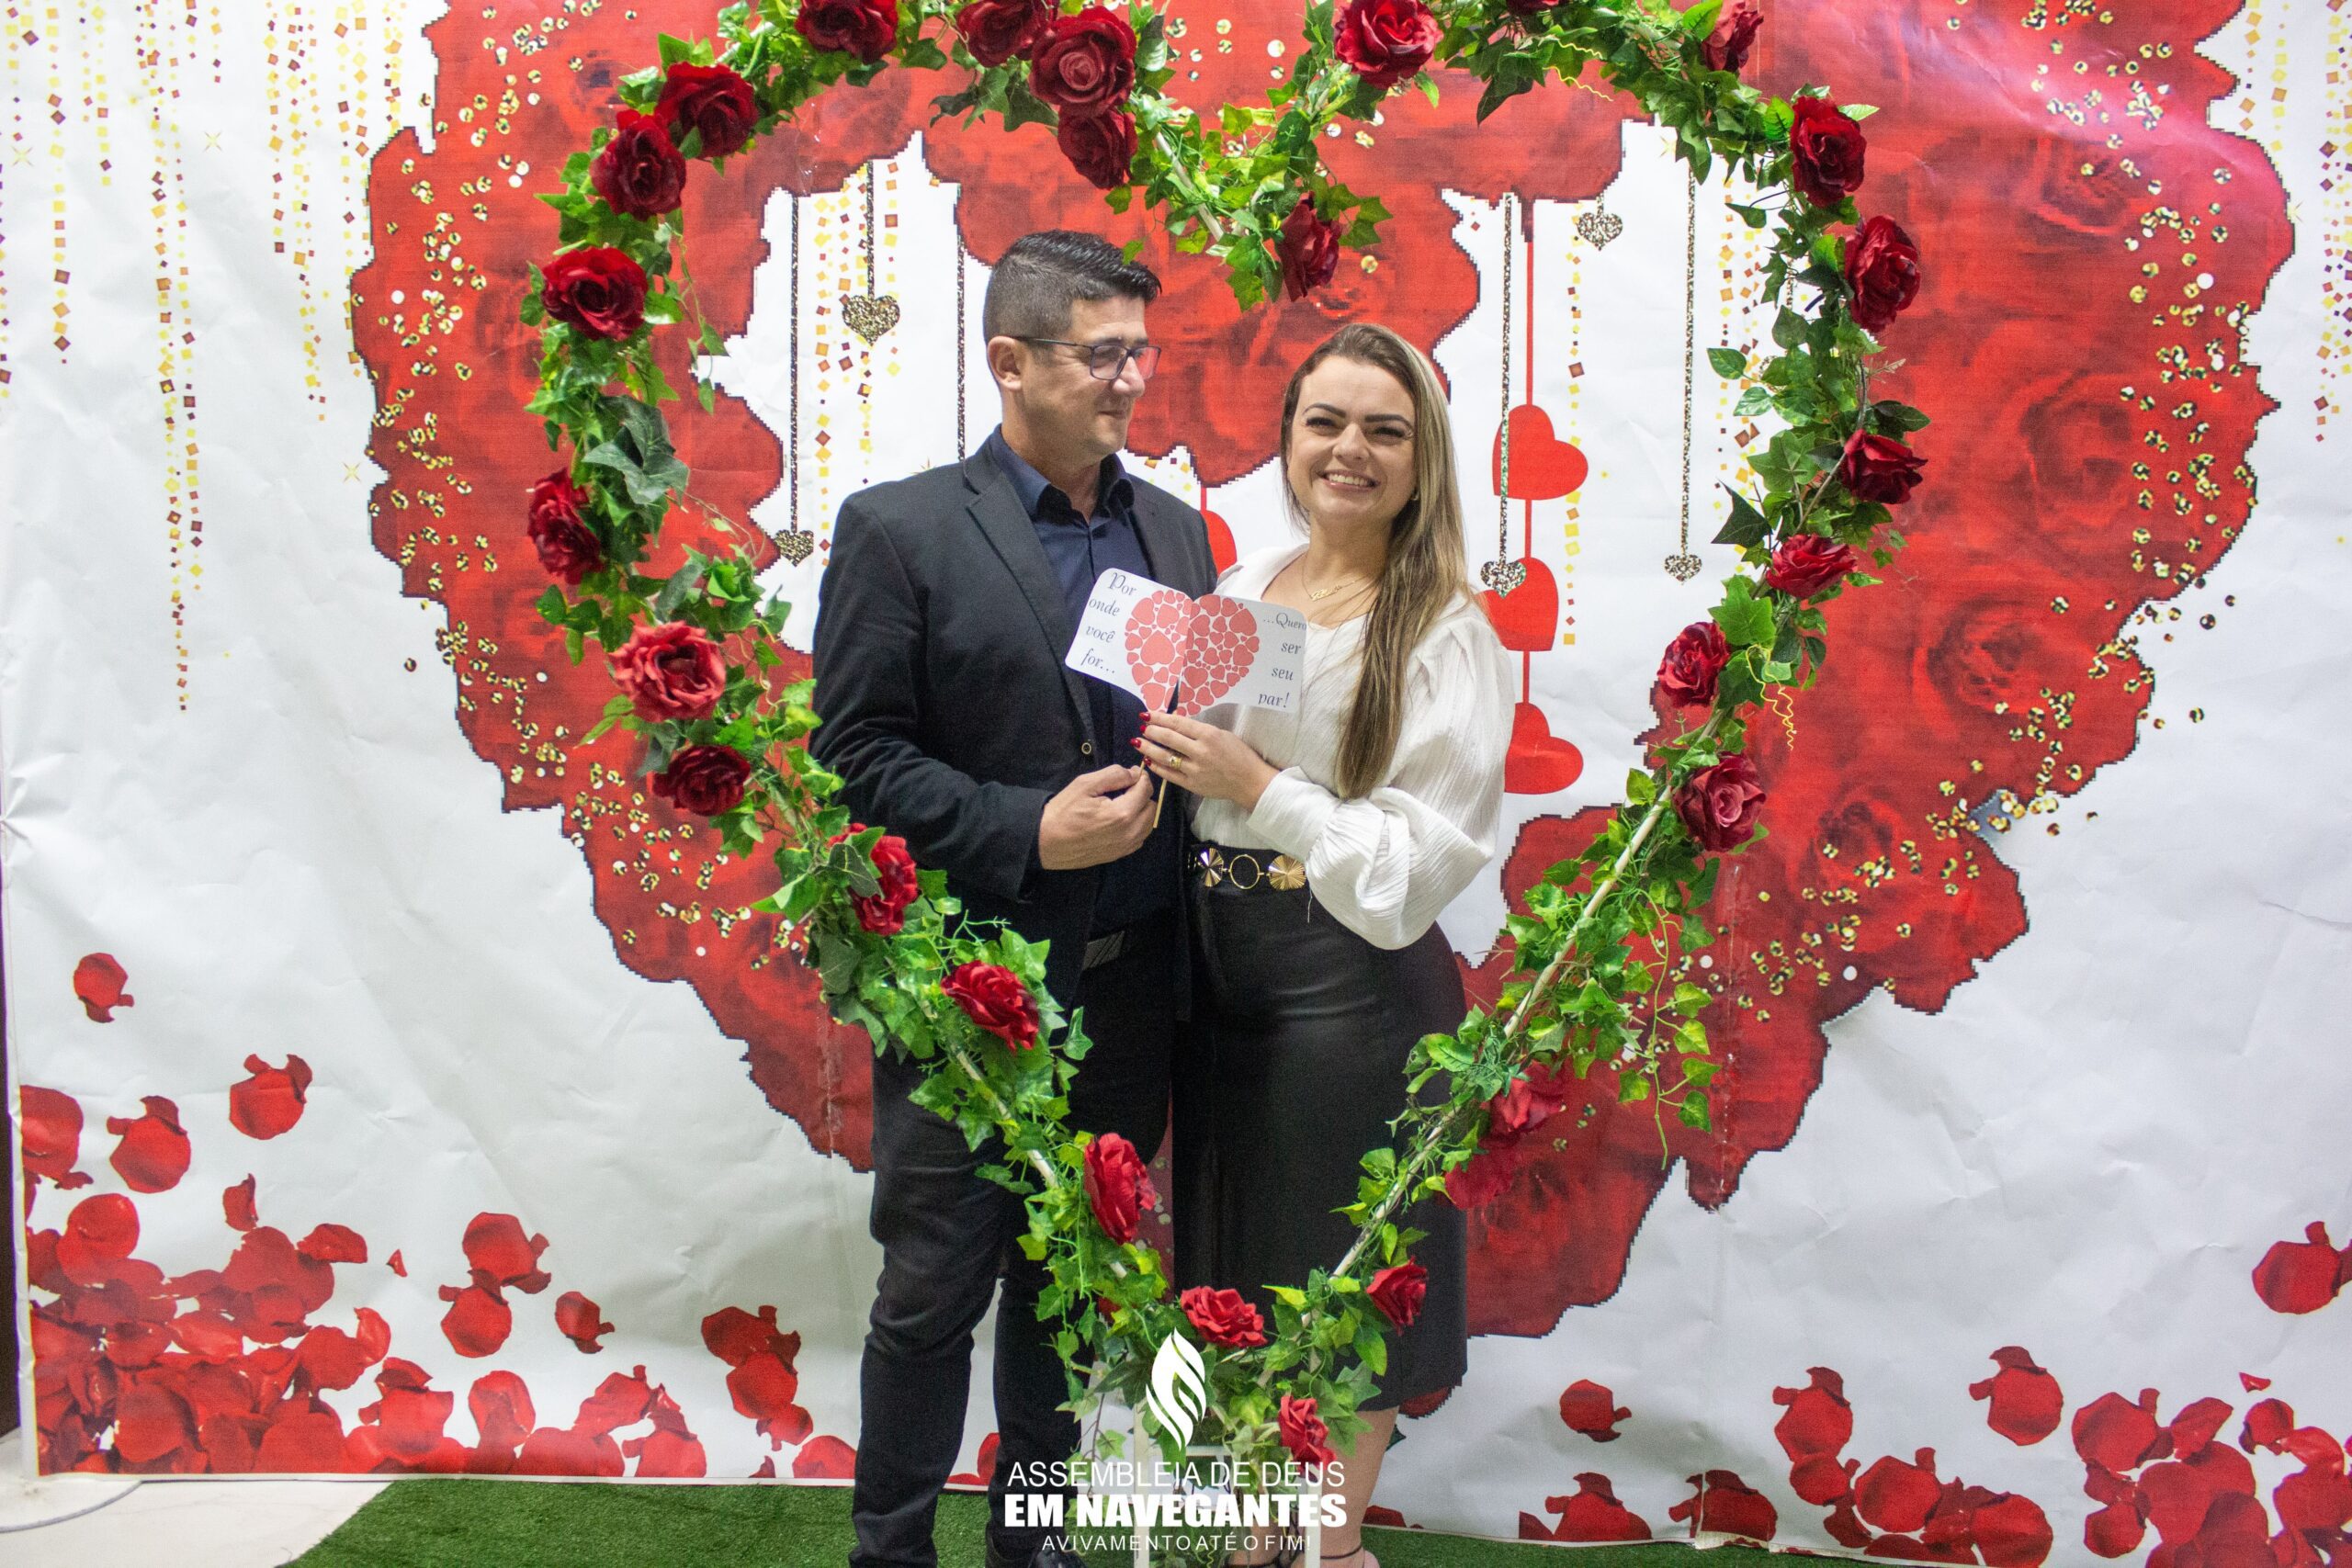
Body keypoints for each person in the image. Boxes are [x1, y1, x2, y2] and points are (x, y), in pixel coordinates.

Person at [809, 231, 1218, 1568]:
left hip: (1131, 992)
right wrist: (1024, 829)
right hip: (970, 998)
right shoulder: (901, 529)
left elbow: (1185, 731)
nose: (1131, 381)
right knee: (932, 1298)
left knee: (1070, 1298)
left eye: (1139, 353)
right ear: (1011, 361)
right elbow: (852, 759)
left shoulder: (1175, 531)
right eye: (1102, 354)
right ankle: (891, 1552)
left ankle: (1031, 1549)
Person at [1140, 324, 1513, 1568]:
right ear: (1289, 438)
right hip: (1221, 978)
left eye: (1384, 430)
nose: (1350, 449)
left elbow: (1412, 874)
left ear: (1422, 460)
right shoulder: (1245, 585)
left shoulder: (1445, 630)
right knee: (1239, 1275)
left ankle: (1327, 1548)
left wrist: (1260, 784)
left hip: (1349, 990)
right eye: (1326, 422)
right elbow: (1198, 774)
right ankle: (1265, 1539)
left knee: (1340, 1285)